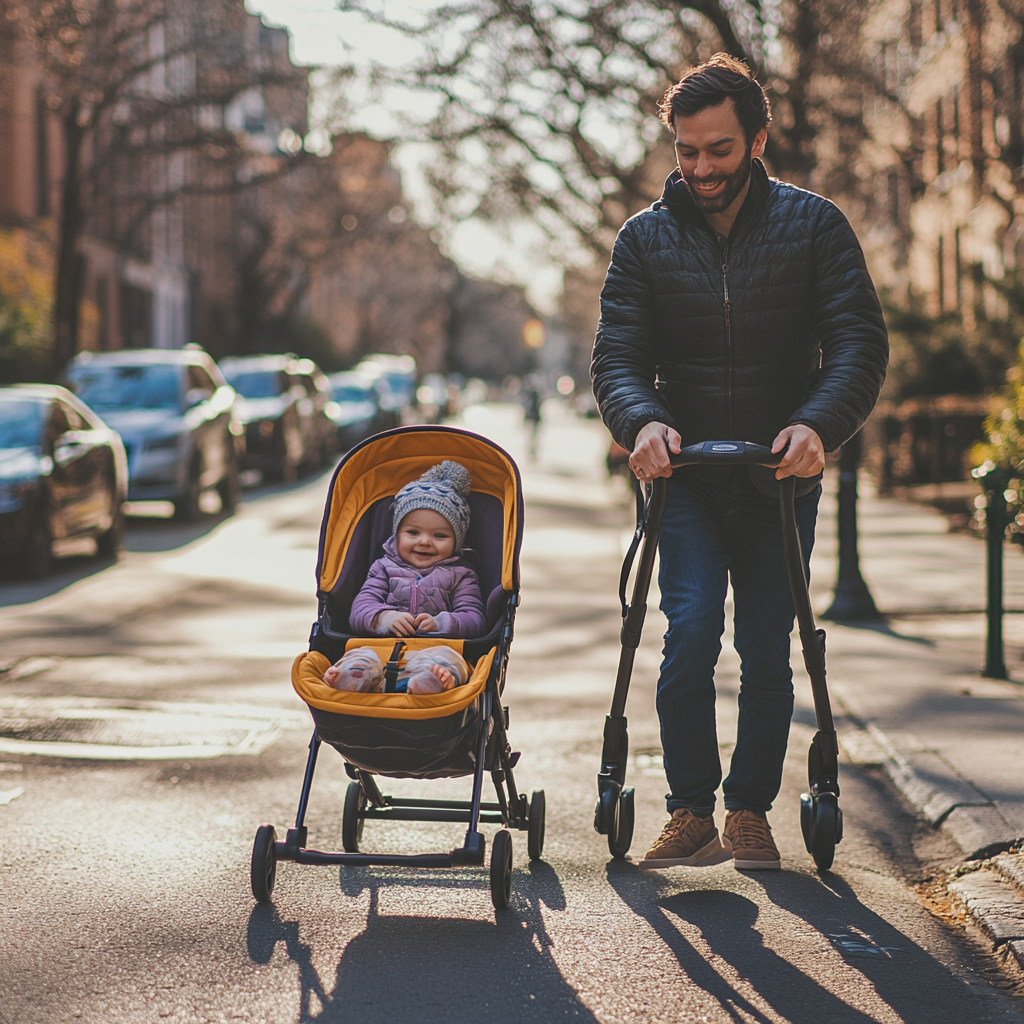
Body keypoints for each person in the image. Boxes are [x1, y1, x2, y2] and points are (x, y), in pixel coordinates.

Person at [591, 54, 888, 870]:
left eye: (719, 150)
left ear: (758, 139)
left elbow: (857, 343)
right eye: (687, 151)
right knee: (688, 632)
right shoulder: (644, 239)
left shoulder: (814, 225)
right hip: (683, 476)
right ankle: (690, 809)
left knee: (767, 644)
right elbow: (617, 354)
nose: (701, 169)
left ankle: (750, 811)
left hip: (776, 474)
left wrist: (817, 426)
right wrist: (642, 421)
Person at [342, 460, 486, 691]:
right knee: (361, 655)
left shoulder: (461, 575)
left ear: (457, 541)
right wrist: (384, 619)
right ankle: (352, 677)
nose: (425, 541)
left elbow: (475, 620)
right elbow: (360, 609)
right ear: (397, 534)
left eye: (439, 535)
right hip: (383, 651)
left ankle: (430, 681)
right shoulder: (383, 568)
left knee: (452, 661)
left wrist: (441, 623)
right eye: (412, 532)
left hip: (433, 650)